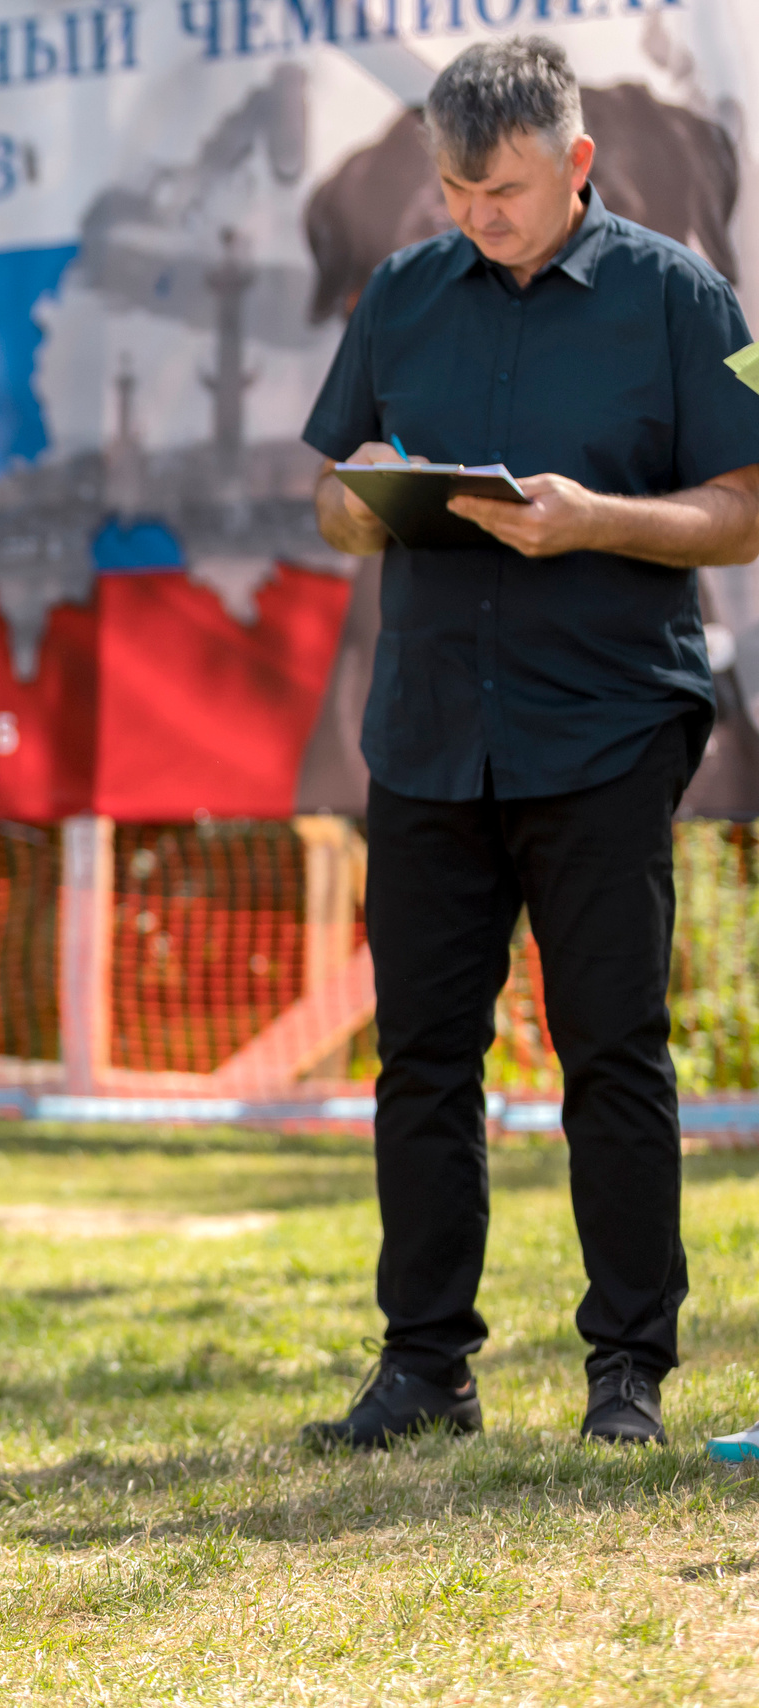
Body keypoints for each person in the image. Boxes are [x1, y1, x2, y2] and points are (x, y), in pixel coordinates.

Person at [298, 36, 759, 1451]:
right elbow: (330, 487)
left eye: (498, 190)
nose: (472, 216)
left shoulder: (689, 297)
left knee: (609, 1052)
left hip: (609, 724)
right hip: (429, 733)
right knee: (422, 1060)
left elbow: (743, 508)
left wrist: (597, 519)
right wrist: (363, 506)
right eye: (453, 190)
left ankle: (629, 1373)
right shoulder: (402, 292)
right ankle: (423, 1369)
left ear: (575, 163)